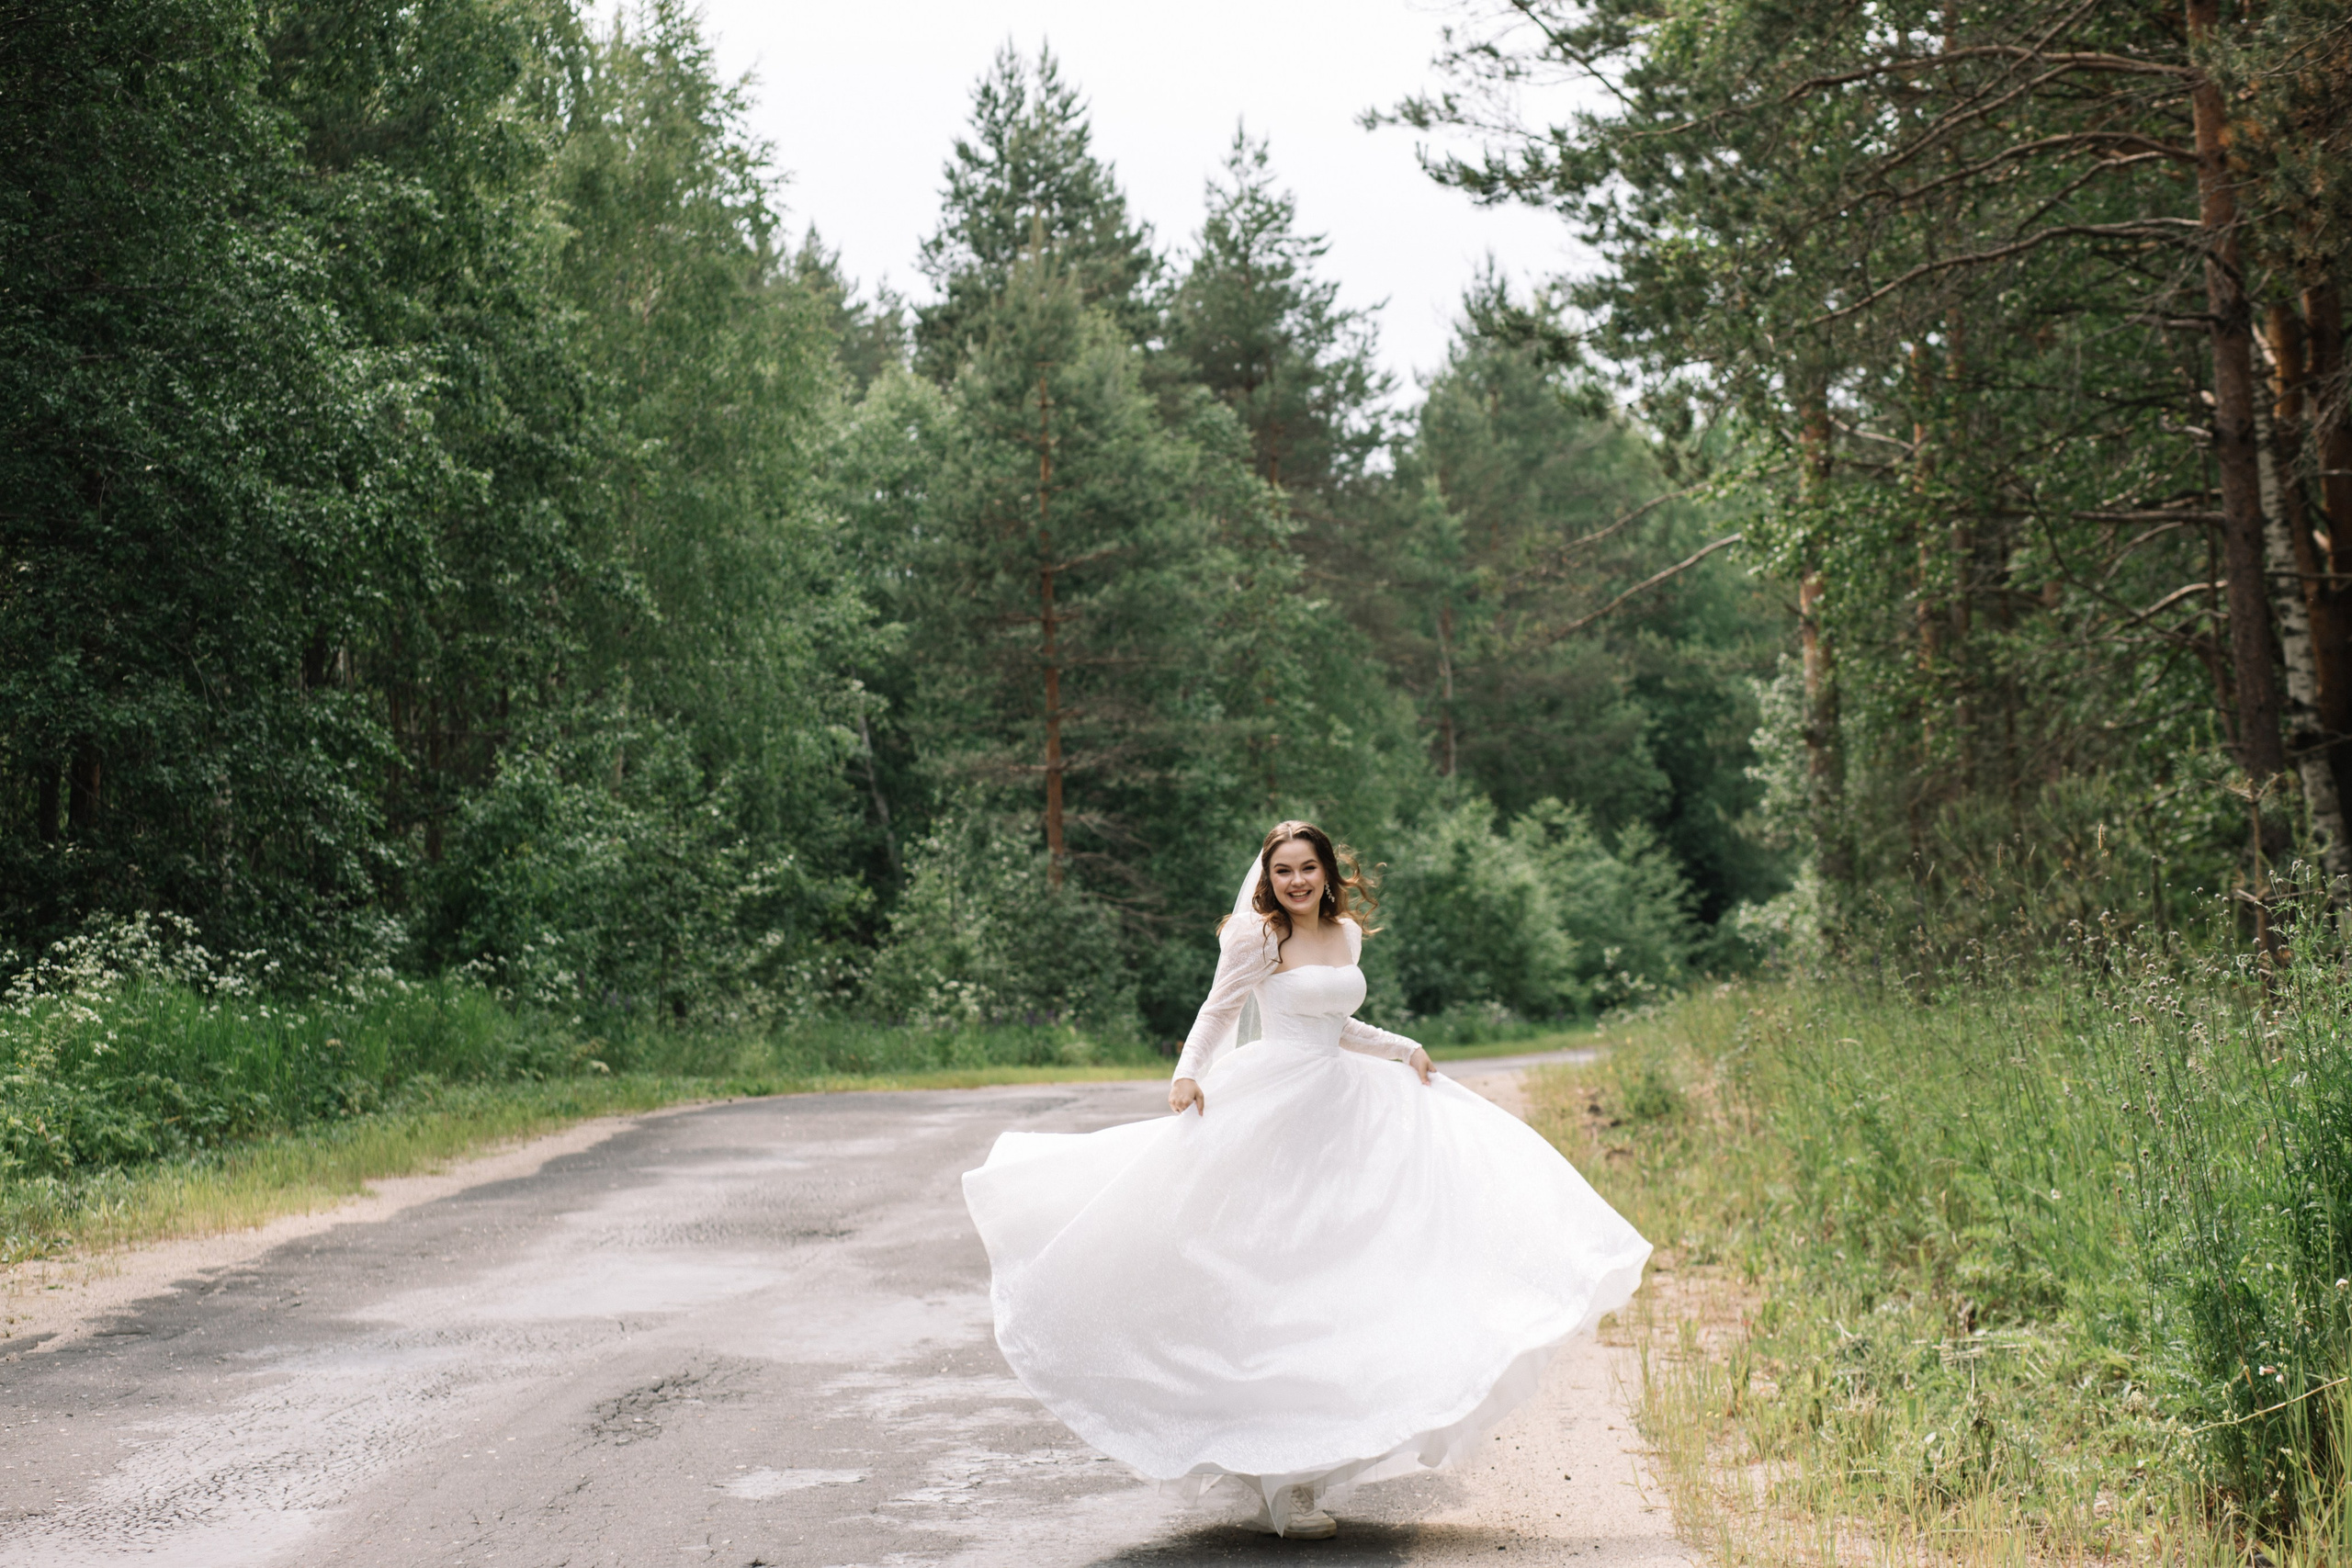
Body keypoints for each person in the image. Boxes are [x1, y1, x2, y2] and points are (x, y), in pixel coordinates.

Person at [962, 821, 1650, 1540]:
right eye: (1282, 870)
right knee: (1271, 1282)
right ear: (1269, 876)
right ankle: (1279, 1475)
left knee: (1342, 1282)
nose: (1295, 881)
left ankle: (1310, 1465)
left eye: (1308, 868)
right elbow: (1220, 1008)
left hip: (1344, 1112)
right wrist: (1187, 1072)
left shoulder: (1345, 933)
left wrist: (1403, 1047)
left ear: (1328, 872)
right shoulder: (1256, 937)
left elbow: (1339, 1025)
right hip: (1273, 1108)